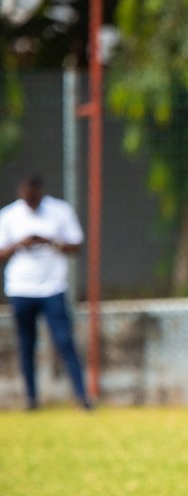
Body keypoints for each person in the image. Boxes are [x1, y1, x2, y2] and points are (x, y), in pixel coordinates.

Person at [0, 174, 91, 410]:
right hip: (21, 288)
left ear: (41, 192)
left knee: (64, 341)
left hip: (53, 288)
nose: (31, 202)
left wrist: (50, 241)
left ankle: (82, 396)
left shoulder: (59, 211)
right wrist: (20, 244)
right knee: (26, 343)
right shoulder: (9, 215)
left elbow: (76, 245)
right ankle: (31, 399)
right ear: (21, 193)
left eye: (35, 197)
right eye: (27, 198)